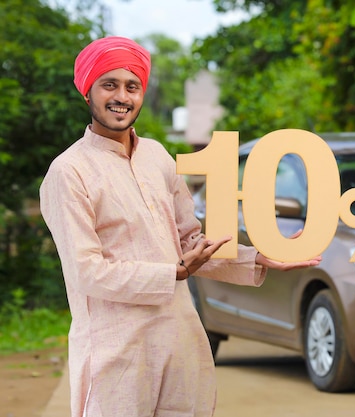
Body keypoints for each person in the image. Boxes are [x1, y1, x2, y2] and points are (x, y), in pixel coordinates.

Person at [39, 36, 321, 417]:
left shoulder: (157, 156)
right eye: (109, 84)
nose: (121, 96)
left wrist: (259, 256)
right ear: (87, 91)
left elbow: (191, 240)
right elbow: (88, 272)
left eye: (132, 86)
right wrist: (174, 272)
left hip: (181, 340)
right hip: (116, 351)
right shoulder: (69, 172)